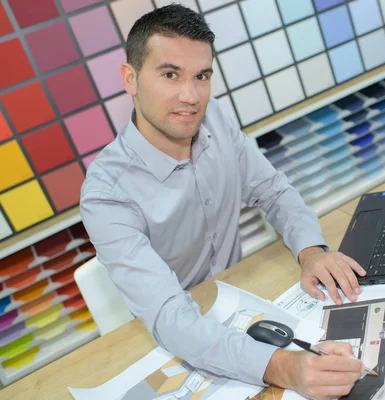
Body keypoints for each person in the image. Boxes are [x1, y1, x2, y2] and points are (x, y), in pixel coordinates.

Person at [79, 4, 366, 399]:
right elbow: (170, 317)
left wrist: (311, 251)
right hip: (182, 337)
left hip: (244, 297)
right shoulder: (105, 194)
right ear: (130, 78)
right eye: (169, 75)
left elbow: (274, 190)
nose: (191, 95)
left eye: (202, 76)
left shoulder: (212, 117)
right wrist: (283, 367)